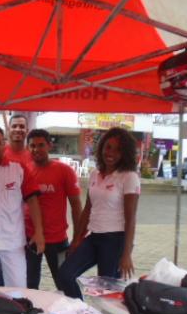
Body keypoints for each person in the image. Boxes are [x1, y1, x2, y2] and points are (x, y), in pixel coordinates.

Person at [55, 127, 140, 298]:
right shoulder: (95, 174)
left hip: (115, 241)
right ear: (101, 148)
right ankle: (80, 313)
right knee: (65, 274)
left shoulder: (129, 176)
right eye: (108, 147)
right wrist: (77, 239)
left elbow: (131, 219)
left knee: (108, 293)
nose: (111, 153)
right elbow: (88, 208)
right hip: (94, 237)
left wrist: (126, 254)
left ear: (125, 153)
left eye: (118, 150)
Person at [0, 125, 45, 287]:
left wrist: (39, 232)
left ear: (4, 144)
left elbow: (33, 201)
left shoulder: (18, 168)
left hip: (13, 241)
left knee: (18, 290)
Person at [24, 129, 82, 290]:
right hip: (31, 237)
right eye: (32, 146)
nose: (36, 149)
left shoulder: (64, 171)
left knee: (65, 283)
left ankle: (74, 312)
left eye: (41, 145)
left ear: (50, 145)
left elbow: (76, 206)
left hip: (57, 239)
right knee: (30, 284)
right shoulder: (25, 170)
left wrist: (77, 238)